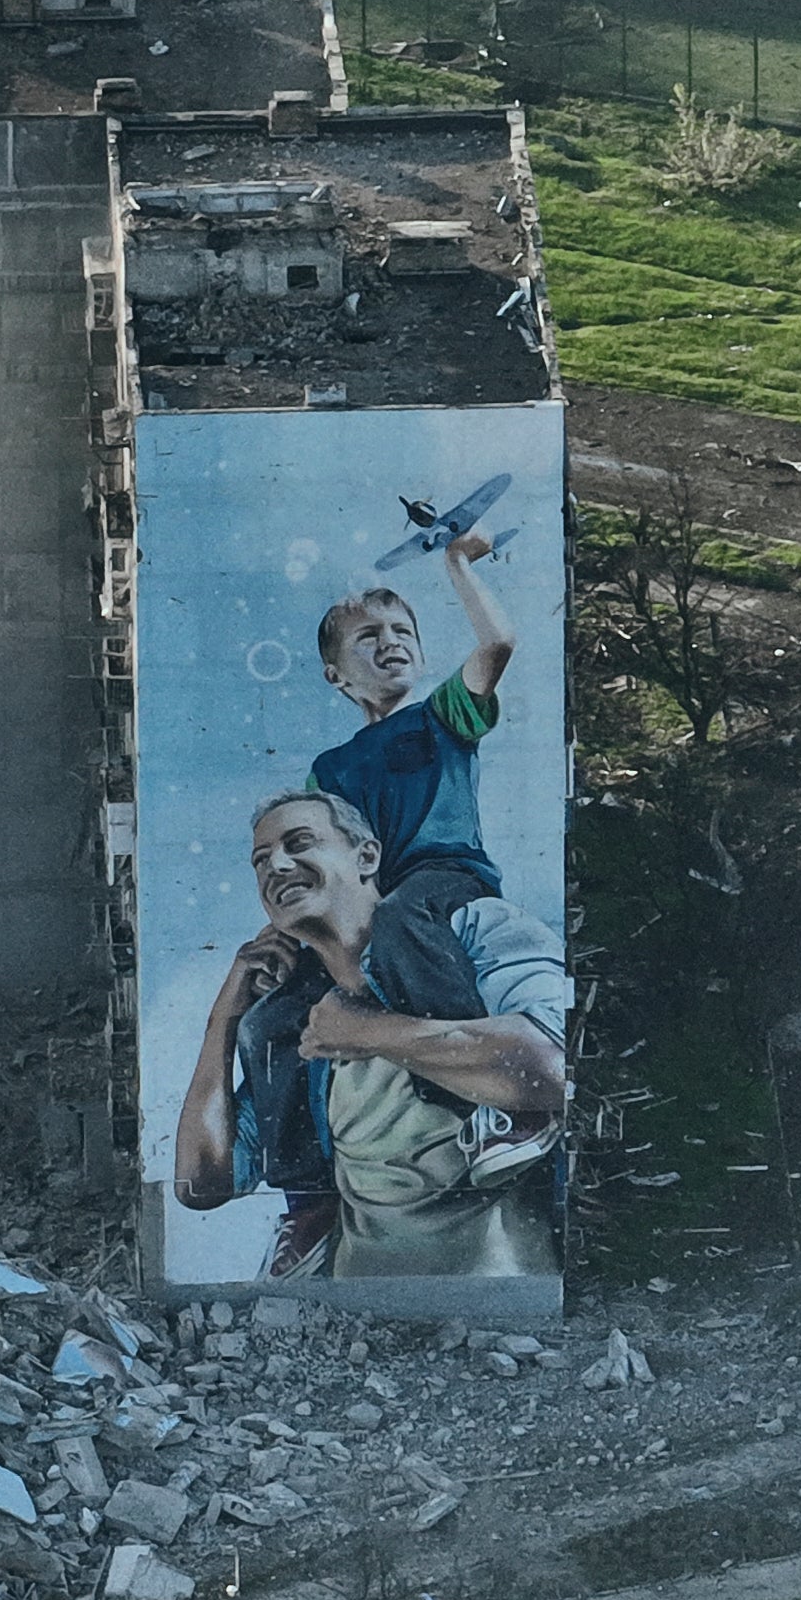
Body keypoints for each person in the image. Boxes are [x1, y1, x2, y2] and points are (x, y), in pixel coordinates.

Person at [175, 791, 569, 1282]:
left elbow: (555, 1073)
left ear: (367, 857)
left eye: (300, 843)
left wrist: (367, 1032)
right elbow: (200, 1184)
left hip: (497, 1301)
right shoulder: (294, 1029)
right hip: (356, 1311)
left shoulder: (470, 930)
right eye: (260, 860)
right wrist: (224, 1021)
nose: (276, 865)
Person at [304, 526, 556, 1188]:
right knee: (285, 1009)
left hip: (445, 878)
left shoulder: (441, 717)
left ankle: (502, 1103)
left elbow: (498, 644)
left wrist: (457, 563)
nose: (391, 641)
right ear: (336, 675)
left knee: (397, 921)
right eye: (369, 636)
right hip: (383, 899)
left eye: (402, 631)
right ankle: (308, 1193)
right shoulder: (329, 768)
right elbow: (325, 859)